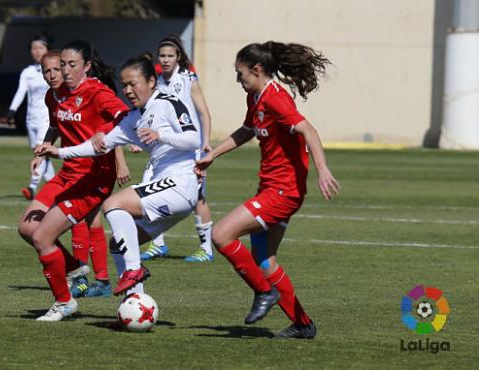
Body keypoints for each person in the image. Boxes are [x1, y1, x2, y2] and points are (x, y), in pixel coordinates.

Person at [195, 41, 340, 338]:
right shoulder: (256, 97)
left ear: (257, 70)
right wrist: (214, 154)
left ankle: (264, 292)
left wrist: (322, 169)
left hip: (283, 193)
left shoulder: (276, 98)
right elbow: (247, 130)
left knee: (220, 234)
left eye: (240, 74)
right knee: (264, 261)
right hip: (274, 189)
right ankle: (303, 324)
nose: (239, 80)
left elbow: (309, 130)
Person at [38, 55, 201, 297]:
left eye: (133, 84)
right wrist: (59, 152)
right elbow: (97, 147)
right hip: (164, 190)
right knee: (118, 245)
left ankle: (134, 270)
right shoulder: (133, 118)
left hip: (180, 184)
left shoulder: (168, 103)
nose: (128, 90)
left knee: (113, 203)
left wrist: (160, 135)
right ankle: (135, 304)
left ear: (151, 82)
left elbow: (194, 139)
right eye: (124, 85)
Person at [17, 40, 129, 321]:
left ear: (87, 66)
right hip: (68, 173)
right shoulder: (55, 96)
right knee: (27, 228)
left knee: (43, 237)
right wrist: (43, 150)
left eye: (70, 65)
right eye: (58, 66)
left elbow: (124, 116)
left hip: (94, 178)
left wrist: (106, 132)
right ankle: (74, 268)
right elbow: (56, 124)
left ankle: (64, 302)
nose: (62, 72)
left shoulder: (97, 92)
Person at [139, 35, 215, 263]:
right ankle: (158, 244)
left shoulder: (188, 79)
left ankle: (206, 248)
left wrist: (205, 142)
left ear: (178, 57)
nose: (165, 59)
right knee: (150, 191)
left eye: (170, 55)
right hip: (164, 150)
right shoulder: (158, 82)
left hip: (189, 149)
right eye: (162, 55)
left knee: (198, 197)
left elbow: (204, 112)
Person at [7, 35, 55, 200]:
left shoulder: (54, 70)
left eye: (40, 48)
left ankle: (32, 187)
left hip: (47, 118)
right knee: (42, 155)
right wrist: (12, 110)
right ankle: (56, 187)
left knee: (41, 152)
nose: (37, 51)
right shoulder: (28, 72)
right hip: (31, 119)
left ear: (47, 49)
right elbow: (21, 91)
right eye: (34, 48)